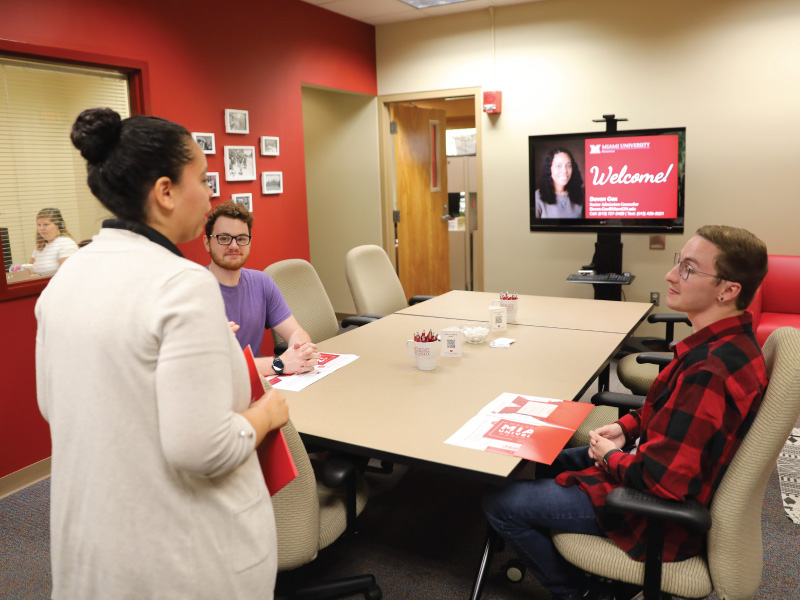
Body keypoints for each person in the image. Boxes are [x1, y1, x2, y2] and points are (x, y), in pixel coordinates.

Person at [35, 107, 288, 598]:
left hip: (97, 544)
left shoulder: (69, 276)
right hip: (181, 558)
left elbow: (56, 407)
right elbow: (204, 447)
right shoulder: (183, 283)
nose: (212, 195)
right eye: (204, 179)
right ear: (166, 192)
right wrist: (265, 415)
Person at [483, 225, 769, 600]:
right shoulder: (724, 344)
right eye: (677, 263)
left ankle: (577, 592)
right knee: (549, 454)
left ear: (728, 290)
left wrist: (611, 457)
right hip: (649, 466)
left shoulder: (709, 373)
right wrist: (627, 426)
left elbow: (665, 482)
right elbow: (675, 415)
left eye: (688, 268)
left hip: (652, 511)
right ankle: (574, 559)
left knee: (499, 502)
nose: (670, 275)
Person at [203, 201, 319, 377]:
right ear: (207, 243)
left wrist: (302, 352)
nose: (234, 246)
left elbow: (295, 331)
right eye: (224, 238)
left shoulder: (262, 283)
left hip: (257, 385)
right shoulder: (193, 292)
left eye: (241, 239)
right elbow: (214, 368)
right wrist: (279, 363)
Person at [534, 148, 585, 219]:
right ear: (549, 168)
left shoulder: (581, 194)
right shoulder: (537, 197)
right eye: (558, 166)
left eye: (568, 166)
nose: (564, 171)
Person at [31, 207, 79, 276]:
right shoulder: (40, 245)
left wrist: (40, 277)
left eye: (46, 224)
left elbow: (67, 274)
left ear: (58, 226)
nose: (41, 228)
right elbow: (30, 268)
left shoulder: (66, 243)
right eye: (39, 225)